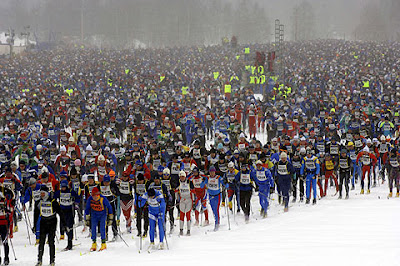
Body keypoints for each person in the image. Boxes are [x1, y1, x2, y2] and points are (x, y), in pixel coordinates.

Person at [34, 185, 65, 266]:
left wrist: (63, 225)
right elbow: (36, 214)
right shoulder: (39, 202)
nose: (42, 195)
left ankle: (52, 261)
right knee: (41, 241)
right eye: (41, 193)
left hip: (52, 222)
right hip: (43, 222)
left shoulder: (53, 201)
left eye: (43, 193)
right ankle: (39, 260)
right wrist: (34, 225)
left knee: (51, 242)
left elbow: (60, 212)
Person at [85, 187, 113, 251]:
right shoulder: (90, 199)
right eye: (93, 196)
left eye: (96, 195)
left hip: (102, 214)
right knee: (93, 228)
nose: (95, 197)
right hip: (94, 214)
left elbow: (109, 207)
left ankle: (103, 243)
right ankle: (94, 243)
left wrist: (110, 216)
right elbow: (87, 208)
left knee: (102, 228)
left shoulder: (103, 198)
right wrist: (86, 217)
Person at [53, 179, 79, 250]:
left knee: (69, 226)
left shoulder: (71, 191)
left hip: (70, 211)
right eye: (62, 187)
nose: (63, 188)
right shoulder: (59, 192)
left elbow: (77, 197)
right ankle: (65, 235)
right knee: (63, 225)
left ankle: (70, 242)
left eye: (64, 187)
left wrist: (76, 204)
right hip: (62, 211)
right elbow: (54, 198)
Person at [200, 166, 226, 231]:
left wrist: (226, 182)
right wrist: (203, 181)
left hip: (217, 195)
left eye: (213, 172)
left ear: (215, 172)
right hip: (211, 196)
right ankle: (217, 220)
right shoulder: (208, 178)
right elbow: (201, 186)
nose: (212, 173)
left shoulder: (218, 177)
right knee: (213, 209)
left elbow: (225, 184)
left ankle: (216, 223)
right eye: (211, 172)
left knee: (216, 209)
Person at [175, 171, 194, 235]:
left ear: (185, 177)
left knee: (188, 214)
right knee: (182, 214)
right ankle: (181, 230)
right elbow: (176, 191)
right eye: (181, 177)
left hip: (189, 199)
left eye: (183, 177)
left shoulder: (189, 182)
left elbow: (193, 191)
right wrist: (177, 199)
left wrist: (193, 200)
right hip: (182, 200)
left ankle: (188, 230)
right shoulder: (178, 182)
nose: (182, 178)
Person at [0, 186, 15, 266]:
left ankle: (6, 258)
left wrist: (9, 221)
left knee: (5, 242)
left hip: (4, 224)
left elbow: (9, 212)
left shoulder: (5, 202)